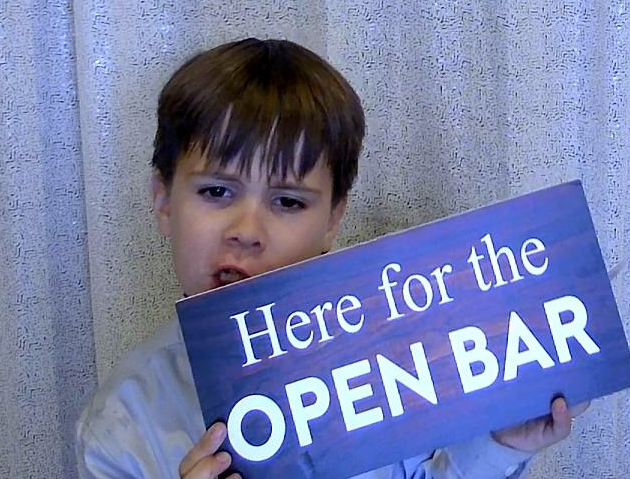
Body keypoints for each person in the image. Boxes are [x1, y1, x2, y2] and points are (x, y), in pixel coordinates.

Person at [77, 38, 580, 479]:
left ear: (333, 220)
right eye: (216, 192)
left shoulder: (402, 357)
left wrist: (503, 445)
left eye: (287, 202)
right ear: (164, 201)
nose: (247, 232)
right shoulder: (120, 426)